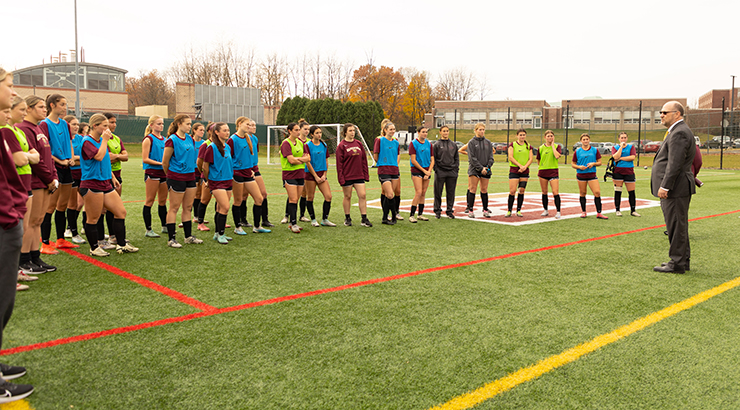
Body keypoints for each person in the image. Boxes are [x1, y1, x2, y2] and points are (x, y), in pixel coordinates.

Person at [0, 66, 35, 404]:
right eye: (9, 86)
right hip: (3, 221)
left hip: (7, 219)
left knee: (4, 304)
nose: (14, 93)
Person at [80, 113, 138, 256]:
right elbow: (99, 157)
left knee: (120, 212)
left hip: (105, 182)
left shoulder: (101, 140)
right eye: (104, 125)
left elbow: (105, 161)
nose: (108, 129)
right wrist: (105, 140)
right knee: (93, 218)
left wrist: (112, 177)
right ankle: (94, 247)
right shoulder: (87, 141)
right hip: (92, 183)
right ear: (95, 126)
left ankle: (122, 244)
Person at [651, 101, 696, 274]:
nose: (661, 115)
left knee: (676, 225)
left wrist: (666, 186)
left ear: (676, 114)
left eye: (664, 112)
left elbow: (675, 163)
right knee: (678, 225)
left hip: (676, 187)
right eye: (660, 112)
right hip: (678, 186)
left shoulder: (679, 133)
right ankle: (681, 261)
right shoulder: (678, 131)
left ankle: (677, 263)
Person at [16, 95, 58, 271]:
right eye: (41, 107)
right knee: (32, 221)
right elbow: (36, 161)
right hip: (36, 181)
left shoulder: (39, 128)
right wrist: (49, 178)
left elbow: (48, 156)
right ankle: (24, 260)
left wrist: (54, 176)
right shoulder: (24, 128)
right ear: (29, 108)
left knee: (38, 221)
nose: (44, 110)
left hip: (45, 181)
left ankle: (35, 257)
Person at [39, 94, 78, 251]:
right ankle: (45, 243)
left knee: (63, 205)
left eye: (65, 104)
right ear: (52, 105)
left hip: (66, 167)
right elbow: (45, 148)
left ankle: (61, 239)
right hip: (54, 168)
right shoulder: (44, 124)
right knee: (51, 206)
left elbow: (69, 142)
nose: (65, 107)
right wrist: (59, 160)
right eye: (62, 104)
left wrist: (71, 157)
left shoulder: (64, 124)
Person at [162, 114, 202, 247]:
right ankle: (171, 238)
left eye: (191, 124)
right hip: (176, 177)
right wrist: (171, 175)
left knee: (188, 207)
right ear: (179, 124)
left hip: (190, 176)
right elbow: (165, 162)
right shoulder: (172, 140)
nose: (190, 127)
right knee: (174, 207)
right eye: (187, 124)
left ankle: (188, 236)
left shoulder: (190, 139)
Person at [228, 117, 270, 234]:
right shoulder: (232, 139)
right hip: (237, 173)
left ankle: (257, 226)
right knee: (238, 200)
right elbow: (228, 158)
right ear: (240, 124)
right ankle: (238, 227)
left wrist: (251, 169)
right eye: (247, 124)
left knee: (259, 198)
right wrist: (231, 173)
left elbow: (250, 156)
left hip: (248, 173)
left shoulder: (249, 138)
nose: (249, 126)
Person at [202, 122, 234, 244]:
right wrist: (208, 181)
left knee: (221, 208)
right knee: (225, 207)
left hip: (228, 180)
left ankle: (218, 233)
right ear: (216, 132)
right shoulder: (211, 147)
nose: (227, 132)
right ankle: (220, 234)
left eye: (228, 130)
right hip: (216, 181)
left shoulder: (227, 147)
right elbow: (205, 167)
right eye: (224, 130)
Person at [336, 123, 371, 227]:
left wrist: (366, 174)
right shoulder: (341, 146)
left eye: (353, 130)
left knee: (363, 195)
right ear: (345, 132)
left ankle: (364, 218)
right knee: (348, 196)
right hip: (347, 176)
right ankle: (347, 218)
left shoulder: (359, 144)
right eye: (350, 130)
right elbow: (339, 164)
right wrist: (341, 178)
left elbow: (364, 160)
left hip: (359, 175)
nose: (352, 133)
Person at [280, 122, 310, 233]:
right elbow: (290, 160)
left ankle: (292, 222)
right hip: (289, 174)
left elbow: (308, 158)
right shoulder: (286, 143)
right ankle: (293, 223)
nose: (298, 132)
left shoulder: (301, 143)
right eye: (296, 130)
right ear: (290, 131)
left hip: (300, 174)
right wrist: (301, 159)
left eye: (299, 130)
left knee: (296, 199)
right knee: (292, 199)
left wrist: (298, 159)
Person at [458, 123, 494, 218]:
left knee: (484, 189)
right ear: (475, 130)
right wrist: (480, 168)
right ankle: (470, 210)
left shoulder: (488, 142)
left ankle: (485, 209)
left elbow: (491, 157)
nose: (481, 131)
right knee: (472, 188)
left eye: (483, 129)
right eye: (479, 129)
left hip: (486, 170)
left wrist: (487, 167)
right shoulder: (471, 142)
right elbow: (472, 158)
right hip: (475, 169)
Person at [141, 115, 168, 237]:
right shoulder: (148, 139)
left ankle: (164, 226)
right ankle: (148, 229)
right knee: (150, 200)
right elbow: (145, 159)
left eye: (162, 123)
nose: (161, 126)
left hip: (164, 173)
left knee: (162, 201)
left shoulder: (165, 139)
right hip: (152, 172)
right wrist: (160, 163)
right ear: (151, 125)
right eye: (158, 124)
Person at [103, 113, 128, 243]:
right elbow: (106, 157)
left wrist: (116, 156)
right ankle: (105, 236)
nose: (114, 125)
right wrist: (117, 156)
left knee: (114, 207)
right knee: (104, 208)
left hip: (117, 174)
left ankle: (113, 235)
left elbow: (126, 156)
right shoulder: (101, 139)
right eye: (111, 122)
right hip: (106, 175)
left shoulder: (117, 138)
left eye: (114, 122)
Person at [304, 125, 335, 227]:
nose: (319, 134)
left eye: (320, 132)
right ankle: (313, 220)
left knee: (328, 196)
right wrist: (315, 176)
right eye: (317, 133)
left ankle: (325, 219)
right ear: (312, 134)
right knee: (310, 197)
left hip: (322, 174)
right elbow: (308, 162)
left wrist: (324, 174)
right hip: (310, 174)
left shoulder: (324, 145)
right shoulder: (307, 145)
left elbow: (326, 160)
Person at [572, 133, 608, 219]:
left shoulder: (594, 150)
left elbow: (600, 162)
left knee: (597, 192)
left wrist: (593, 163)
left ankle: (599, 213)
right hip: (581, 175)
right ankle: (583, 211)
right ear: (581, 141)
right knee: (583, 193)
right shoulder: (577, 151)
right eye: (584, 139)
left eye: (587, 139)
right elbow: (573, 164)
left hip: (592, 175)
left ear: (589, 140)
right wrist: (579, 167)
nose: (585, 141)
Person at [247, 119, 274, 228]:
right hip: (246, 170)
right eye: (251, 125)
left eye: (254, 125)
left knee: (263, 194)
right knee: (243, 197)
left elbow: (254, 154)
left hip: (255, 168)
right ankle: (242, 220)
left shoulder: (255, 138)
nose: (254, 127)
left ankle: (265, 220)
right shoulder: (242, 139)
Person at [373, 121, 401, 225]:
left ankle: (385, 218)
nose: (392, 131)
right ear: (385, 130)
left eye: (394, 129)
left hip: (394, 170)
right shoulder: (380, 141)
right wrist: (381, 164)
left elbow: (397, 155)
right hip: (384, 170)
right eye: (390, 129)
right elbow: (376, 155)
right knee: (389, 194)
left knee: (390, 194)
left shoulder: (396, 142)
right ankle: (393, 215)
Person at [64, 116, 86, 244]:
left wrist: (76, 158)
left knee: (84, 203)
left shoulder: (81, 138)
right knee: (72, 204)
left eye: (77, 124)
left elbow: (87, 155)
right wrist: (77, 158)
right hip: (70, 174)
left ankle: (84, 228)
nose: (76, 126)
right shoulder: (65, 139)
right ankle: (73, 232)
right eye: (73, 124)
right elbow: (68, 158)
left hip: (83, 173)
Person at [408, 126, 435, 222]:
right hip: (417, 170)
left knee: (423, 193)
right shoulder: (413, 144)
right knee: (418, 192)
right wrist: (424, 171)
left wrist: (429, 171)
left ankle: (420, 214)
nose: (425, 134)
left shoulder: (429, 144)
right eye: (423, 132)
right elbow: (413, 160)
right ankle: (411, 215)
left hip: (427, 171)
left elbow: (432, 160)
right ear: (418, 133)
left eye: (426, 132)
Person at [432, 126, 459, 219]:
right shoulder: (436, 145)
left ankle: (449, 210)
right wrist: (436, 169)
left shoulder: (453, 144)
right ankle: (437, 211)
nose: (446, 133)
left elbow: (456, 158)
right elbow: (434, 159)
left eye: (447, 131)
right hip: (440, 172)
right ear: (440, 132)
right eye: (444, 131)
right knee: (438, 192)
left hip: (452, 172)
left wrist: (455, 170)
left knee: (451, 192)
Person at [611, 132, 640, 217]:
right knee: (618, 191)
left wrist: (621, 158)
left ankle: (633, 210)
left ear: (627, 138)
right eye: (622, 138)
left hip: (629, 171)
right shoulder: (615, 147)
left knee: (631, 192)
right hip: (618, 171)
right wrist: (620, 148)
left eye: (625, 138)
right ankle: (617, 210)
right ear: (619, 139)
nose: (623, 139)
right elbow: (615, 157)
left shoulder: (631, 147)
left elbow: (632, 157)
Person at [506, 128, 533, 217]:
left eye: (523, 135)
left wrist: (525, 167)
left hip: (524, 171)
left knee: (521, 190)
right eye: (520, 135)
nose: (522, 136)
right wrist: (520, 166)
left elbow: (530, 159)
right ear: (517, 136)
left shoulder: (528, 146)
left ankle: (518, 210)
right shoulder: (512, 145)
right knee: (512, 191)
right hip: (515, 170)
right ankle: (509, 210)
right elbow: (510, 157)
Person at [536, 130, 562, 219]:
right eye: (548, 136)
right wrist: (543, 166)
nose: (550, 137)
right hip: (543, 172)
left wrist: (552, 145)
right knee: (544, 192)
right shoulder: (541, 148)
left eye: (551, 136)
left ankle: (558, 211)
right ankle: (545, 210)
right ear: (545, 137)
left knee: (555, 192)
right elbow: (538, 160)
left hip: (553, 172)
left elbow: (557, 156)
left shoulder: (557, 146)